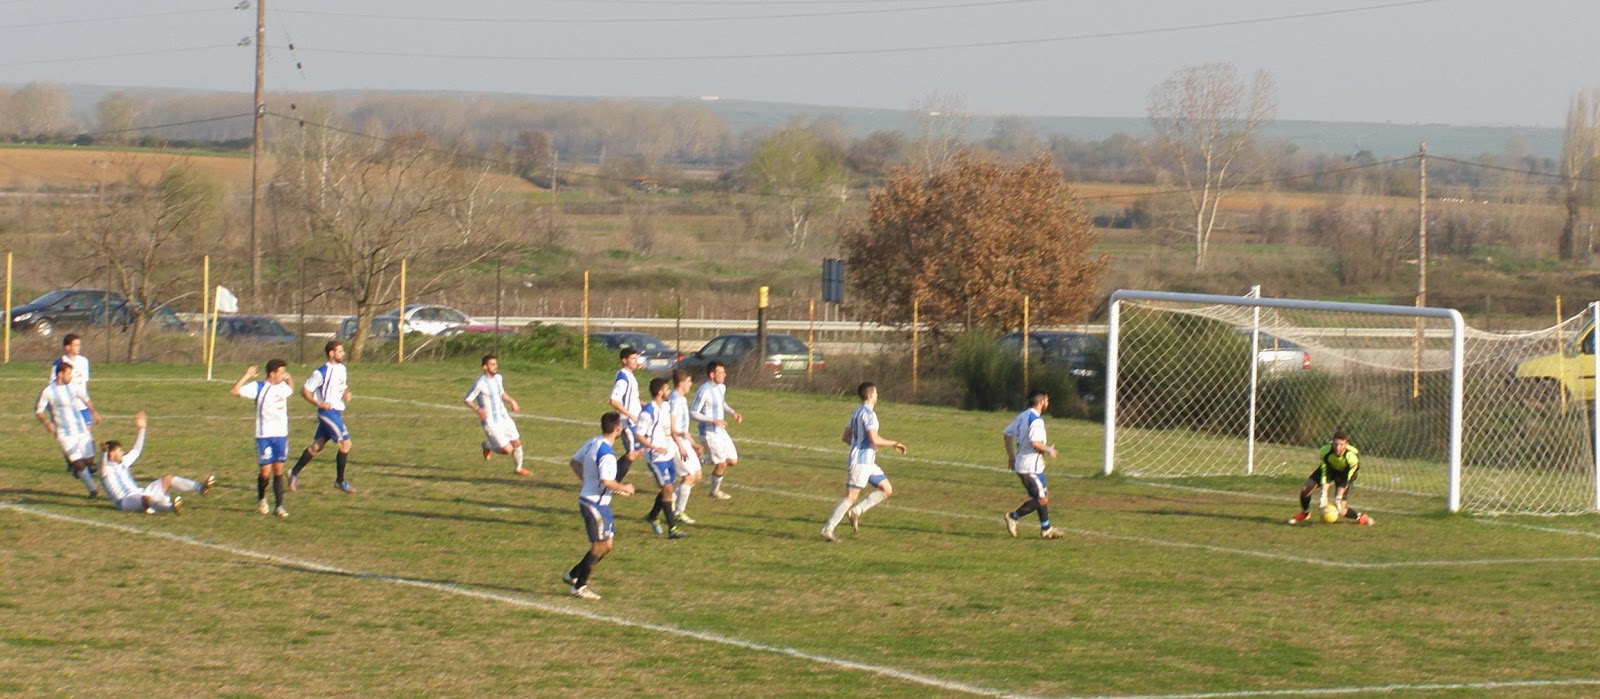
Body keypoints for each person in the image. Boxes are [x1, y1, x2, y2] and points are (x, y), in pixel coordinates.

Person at [563, 411, 637, 600]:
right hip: (595, 504)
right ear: (617, 429)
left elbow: (574, 462)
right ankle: (579, 586)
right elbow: (606, 481)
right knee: (599, 545)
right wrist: (625, 487)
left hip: (596, 502)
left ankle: (573, 574)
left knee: (607, 545)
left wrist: (587, 481)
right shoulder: (607, 454)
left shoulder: (593, 442)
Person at [820, 382, 908, 542]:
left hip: (868, 463)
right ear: (870, 395)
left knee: (887, 489)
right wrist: (895, 443)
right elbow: (874, 438)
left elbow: (846, 437)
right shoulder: (869, 415)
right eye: (876, 393)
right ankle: (828, 529)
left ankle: (856, 512)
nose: (877, 395)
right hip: (860, 463)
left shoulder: (856, 413)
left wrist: (862, 446)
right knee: (850, 497)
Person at [99, 411, 214, 515]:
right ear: (111, 454)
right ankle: (171, 507)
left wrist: (142, 429)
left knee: (167, 479)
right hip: (125, 501)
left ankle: (200, 488)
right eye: (119, 451)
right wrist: (103, 453)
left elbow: (136, 451)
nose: (122, 453)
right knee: (145, 498)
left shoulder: (122, 462)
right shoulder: (105, 470)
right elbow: (102, 470)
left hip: (140, 493)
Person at [288, 340, 356, 493]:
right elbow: (305, 390)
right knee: (346, 444)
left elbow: (342, 386)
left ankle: (293, 473)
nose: (343, 353)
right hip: (327, 413)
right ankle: (340, 481)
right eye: (340, 351)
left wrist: (346, 392)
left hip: (337, 412)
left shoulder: (342, 369)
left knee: (317, 446)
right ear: (331, 353)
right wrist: (318, 403)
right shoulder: (321, 372)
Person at [230, 360, 294, 518]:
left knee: (278, 470)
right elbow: (234, 391)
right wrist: (247, 375)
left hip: (281, 435)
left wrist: (289, 378)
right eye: (281, 372)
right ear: (272, 374)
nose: (284, 375)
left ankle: (279, 506)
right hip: (264, 435)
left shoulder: (283, 387)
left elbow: (291, 390)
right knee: (265, 472)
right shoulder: (258, 387)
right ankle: (262, 498)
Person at [1002, 389, 1067, 539]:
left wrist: (1011, 456)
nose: (1048, 403)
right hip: (1029, 467)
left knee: (1043, 497)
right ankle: (1013, 516)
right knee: (1041, 499)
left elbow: (1007, 433)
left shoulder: (1022, 416)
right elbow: (1035, 443)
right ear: (1042, 402)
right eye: (1047, 400)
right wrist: (1049, 449)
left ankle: (1046, 529)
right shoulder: (1036, 420)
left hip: (1031, 466)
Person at [36, 361, 100, 497]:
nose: (71, 376)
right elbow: (39, 411)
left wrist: (94, 412)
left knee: (89, 462)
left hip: (81, 429)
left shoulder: (73, 387)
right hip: (64, 434)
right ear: (60, 374)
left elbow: (85, 398)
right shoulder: (48, 391)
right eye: (69, 374)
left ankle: (79, 470)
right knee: (79, 464)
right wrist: (47, 423)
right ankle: (93, 490)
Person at [636, 376, 688, 539]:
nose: (669, 391)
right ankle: (672, 528)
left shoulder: (665, 407)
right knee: (667, 489)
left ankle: (652, 516)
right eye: (666, 389)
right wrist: (654, 447)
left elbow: (668, 428)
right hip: (655, 457)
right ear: (660, 392)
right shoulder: (648, 412)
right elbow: (639, 435)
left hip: (668, 453)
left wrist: (678, 437)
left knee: (668, 488)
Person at [1288, 430, 1374, 526]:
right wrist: (1324, 493)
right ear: (1332, 442)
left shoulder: (1352, 457)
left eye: (1341, 444)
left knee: (1341, 509)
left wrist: (1338, 497)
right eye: (1336, 444)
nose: (1338, 447)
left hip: (1345, 474)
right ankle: (1305, 513)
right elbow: (1325, 471)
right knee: (1305, 489)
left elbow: (1346, 478)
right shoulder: (1325, 451)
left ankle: (1360, 517)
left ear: (1346, 444)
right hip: (1330, 469)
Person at [464, 354, 526, 475]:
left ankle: (518, 468)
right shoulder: (479, 383)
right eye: (492, 364)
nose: (496, 366)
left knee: (517, 443)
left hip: (504, 417)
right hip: (490, 422)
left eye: (496, 364)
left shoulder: (498, 378)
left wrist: (512, 401)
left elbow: (501, 393)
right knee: (507, 450)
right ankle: (487, 446)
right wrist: (478, 409)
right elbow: (467, 399)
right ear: (485, 367)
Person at [690, 360, 742, 500]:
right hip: (709, 433)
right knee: (721, 463)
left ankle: (700, 459)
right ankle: (714, 491)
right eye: (721, 372)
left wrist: (732, 412)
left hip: (720, 432)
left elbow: (721, 403)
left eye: (724, 372)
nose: (724, 375)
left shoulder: (721, 387)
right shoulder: (704, 391)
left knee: (732, 460)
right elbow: (693, 413)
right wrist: (713, 420)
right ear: (712, 374)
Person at [667, 369, 704, 524]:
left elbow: (683, 428)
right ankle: (678, 512)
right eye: (689, 381)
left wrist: (694, 444)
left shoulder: (681, 399)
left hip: (684, 442)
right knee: (688, 477)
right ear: (681, 383)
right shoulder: (675, 400)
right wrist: (680, 445)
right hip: (676, 443)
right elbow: (672, 427)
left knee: (697, 475)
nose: (691, 384)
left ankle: (668, 501)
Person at [607, 348, 644, 479]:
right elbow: (614, 400)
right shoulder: (623, 378)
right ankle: (611, 482)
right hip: (627, 422)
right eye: (633, 359)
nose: (635, 361)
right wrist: (630, 415)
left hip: (633, 421)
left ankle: (610, 480)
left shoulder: (630, 376)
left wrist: (645, 405)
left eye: (636, 358)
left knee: (638, 451)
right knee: (632, 453)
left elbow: (631, 399)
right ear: (624, 360)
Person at [51, 333, 96, 427]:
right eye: (76, 345)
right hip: (68, 406)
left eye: (79, 345)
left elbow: (84, 379)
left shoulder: (84, 361)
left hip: (82, 405)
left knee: (87, 433)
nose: (79, 347)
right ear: (67, 347)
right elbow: (54, 382)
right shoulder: (60, 363)